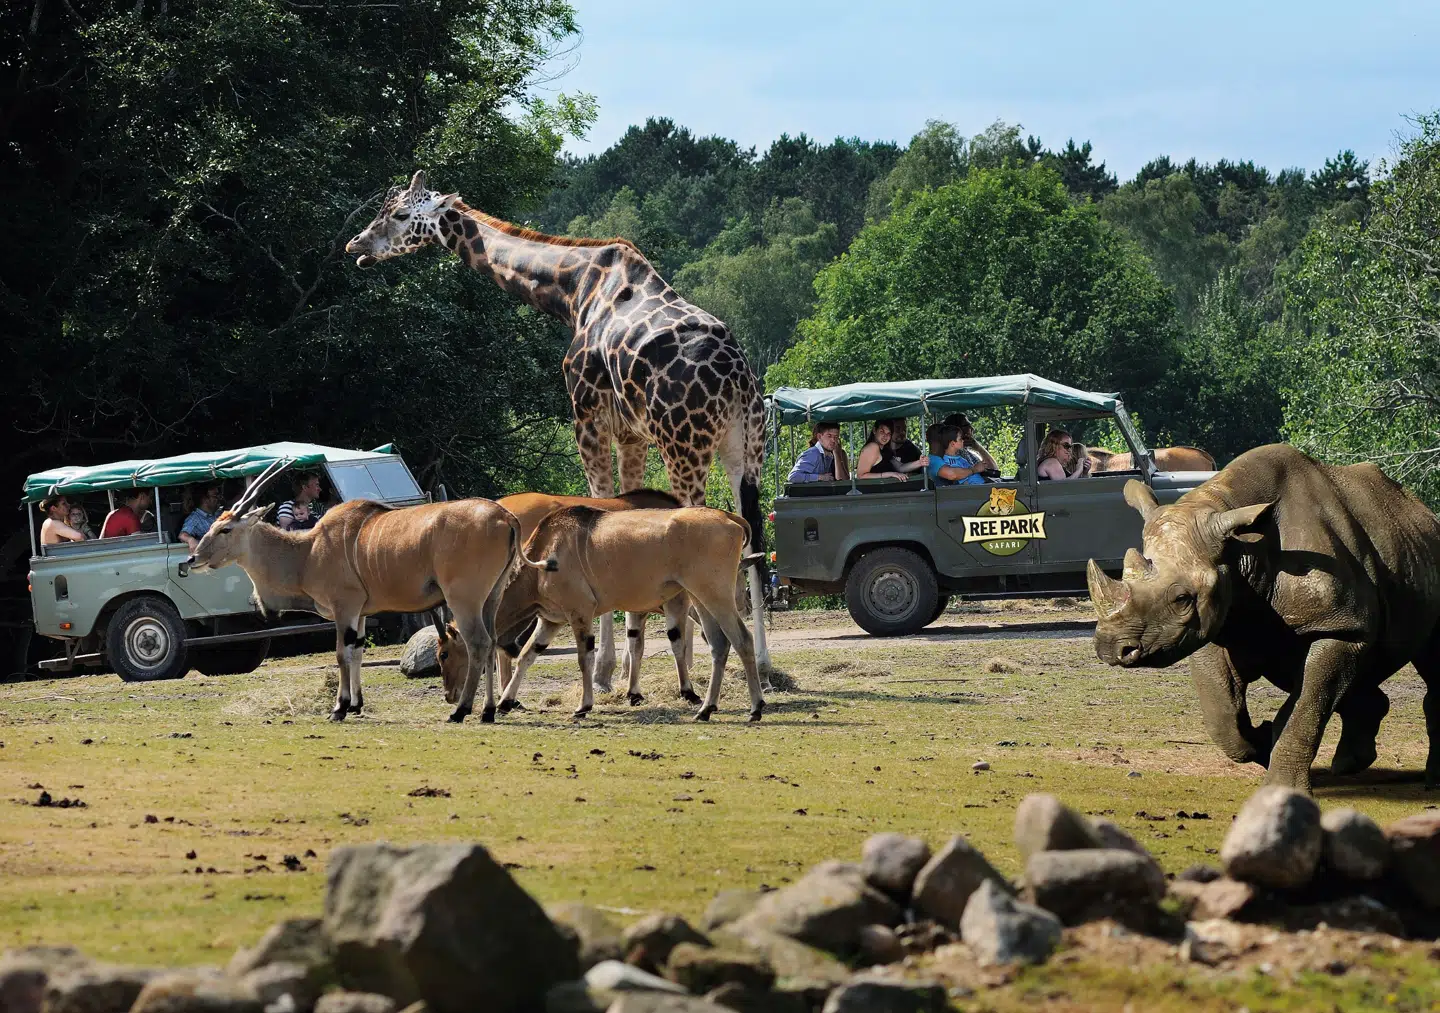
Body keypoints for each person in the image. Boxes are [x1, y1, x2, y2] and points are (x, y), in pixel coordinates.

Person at [179, 482, 223, 550]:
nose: (219, 498)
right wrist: (191, 540)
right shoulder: (195, 519)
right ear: (204, 499)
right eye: (215, 496)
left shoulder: (219, 513)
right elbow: (183, 535)